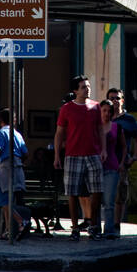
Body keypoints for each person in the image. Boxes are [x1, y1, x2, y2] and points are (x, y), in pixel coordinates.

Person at [54, 76, 104, 239]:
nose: (87, 89)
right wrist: (56, 155)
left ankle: (94, 225)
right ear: (75, 90)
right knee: (72, 192)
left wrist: (104, 150)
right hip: (73, 155)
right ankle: (75, 227)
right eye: (83, 87)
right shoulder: (67, 109)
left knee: (97, 191)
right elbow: (60, 133)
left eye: (88, 86)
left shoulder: (96, 107)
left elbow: (100, 130)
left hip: (93, 154)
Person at [0, 109, 30, 240]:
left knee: (4, 200)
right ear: (14, 120)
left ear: (1, 120)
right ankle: (8, 230)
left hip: (5, 166)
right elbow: (25, 153)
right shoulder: (17, 134)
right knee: (8, 200)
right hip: (18, 167)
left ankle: (21, 221)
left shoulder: (2, 132)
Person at [107, 87, 137, 235]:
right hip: (105, 161)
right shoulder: (104, 116)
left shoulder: (129, 119)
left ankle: (116, 225)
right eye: (112, 98)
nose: (115, 100)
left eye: (117, 98)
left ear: (122, 100)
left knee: (119, 195)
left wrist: (134, 157)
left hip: (121, 162)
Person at [99, 99, 126, 238]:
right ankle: (95, 228)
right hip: (96, 167)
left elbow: (123, 146)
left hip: (111, 167)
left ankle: (109, 230)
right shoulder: (95, 127)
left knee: (109, 201)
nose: (107, 113)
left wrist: (122, 163)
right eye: (104, 110)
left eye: (109, 111)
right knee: (96, 201)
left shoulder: (116, 127)